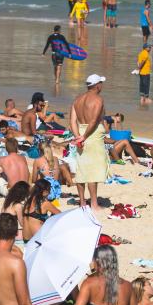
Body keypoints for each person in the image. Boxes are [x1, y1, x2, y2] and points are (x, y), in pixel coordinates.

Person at [70, 74, 108, 210]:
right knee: (93, 170)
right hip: (92, 134)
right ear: (97, 85)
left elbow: (72, 121)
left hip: (80, 132)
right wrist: (84, 136)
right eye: (101, 84)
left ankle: (82, 202)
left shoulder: (77, 100)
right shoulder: (98, 99)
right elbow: (94, 120)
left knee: (81, 168)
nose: (101, 86)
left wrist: (77, 136)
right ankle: (94, 203)